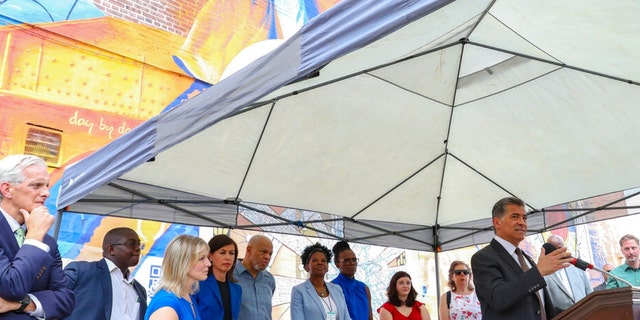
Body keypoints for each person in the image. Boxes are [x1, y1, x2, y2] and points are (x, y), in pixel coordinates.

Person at [471, 196, 573, 320]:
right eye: (515, 217)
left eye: (524, 218)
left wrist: (581, 309)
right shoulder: (483, 258)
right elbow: (498, 298)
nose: (522, 222)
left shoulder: (526, 258)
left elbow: (540, 307)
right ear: (497, 222)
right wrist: (538, 271)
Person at [0, 154, 74, 318]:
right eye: (36, 186)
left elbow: (65, 300)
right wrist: (33, 238)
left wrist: (21, 304)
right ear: (7, 189)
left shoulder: (47, 241)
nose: (46, 193)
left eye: (46, 185)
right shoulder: (38, 237)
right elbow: (12, 286)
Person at [64, 227, 147, 319]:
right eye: (132, 244)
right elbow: (53, 304)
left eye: (139, 244)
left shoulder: (140, 291)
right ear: (111, 249)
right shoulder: (82, 272)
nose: (138, 248)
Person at [145, 234, 210, 320]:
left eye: (207, 258)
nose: (208, 263)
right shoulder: (167, 305)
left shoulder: (188, 299)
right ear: (183, 262)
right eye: (201, 258)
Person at [291, 242, 351, 320]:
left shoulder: (337, 289)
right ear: (306, 267)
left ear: (327, 267)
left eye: (323, 261)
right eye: (314, 260)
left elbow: (346, 317)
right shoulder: (299, 291)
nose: (320, 263)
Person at [193, 234, 242, 320]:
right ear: (210, 256)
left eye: (231, 253)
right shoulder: (198, 285)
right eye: (222, 253)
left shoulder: (237, 289)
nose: (228, 257)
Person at [542, 234, 592, 314]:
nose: (557, 251)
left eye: (559, 248)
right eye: (552, 248)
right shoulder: (544, 273)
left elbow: (589, 293)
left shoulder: (577, 268)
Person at [233, 234, 275, 320]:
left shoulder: (269, 279)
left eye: (270, 254)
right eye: (263, 251)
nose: (267, 257)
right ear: (249, 250)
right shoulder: (230, 276)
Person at [331, 240, 373, 320]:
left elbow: (370, 317)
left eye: (354, 260)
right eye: (347, 260)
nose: (352, 263)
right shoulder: (332, 287)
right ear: (337, 264)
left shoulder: (364, 288)